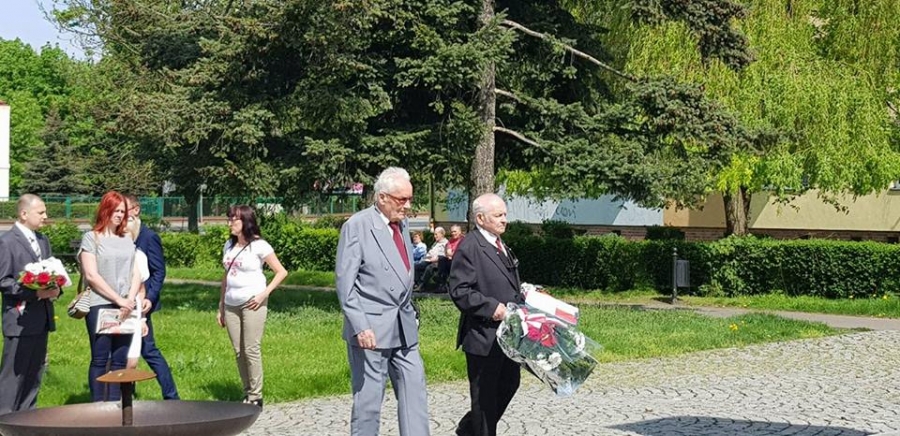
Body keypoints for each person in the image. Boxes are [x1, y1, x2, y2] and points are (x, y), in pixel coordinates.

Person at [335, 167, 430, 436]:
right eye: (402, 199)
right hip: (371, 329)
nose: (408, 206)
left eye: (410, 199)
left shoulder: (402, 224)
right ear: (382, 197)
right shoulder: (358, 226)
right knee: (369, 401)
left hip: (403, 326)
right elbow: (345, 283)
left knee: (415, 392)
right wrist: (360, 325)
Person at [449, 193, 524, 436]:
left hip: (506, 335)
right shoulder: (470, 246)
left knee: (509, 383)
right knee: (485, 397)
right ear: (480, 218)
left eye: (505, 214)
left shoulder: (499, 243)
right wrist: (491, 308)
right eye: (498, 215)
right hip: (484, 336)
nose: (504, 220)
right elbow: (459, 291)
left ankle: (467, 430)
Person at [217, 205, 287, 408]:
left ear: (246, 221)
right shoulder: (228, 246)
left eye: (234, 220)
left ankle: (256, 395)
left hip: (252, 302)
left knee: (251, 348)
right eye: (229, 219)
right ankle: (247, 391)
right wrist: (221, 305)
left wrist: (263, 294)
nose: (230, 223)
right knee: (239, 351)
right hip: (231, 303)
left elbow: (281, 272)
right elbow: (226, 276)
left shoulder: (259, 246)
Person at [80, 191, 143, 402]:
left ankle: (117, 403)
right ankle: (98, 405)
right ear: (105, 210)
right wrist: (118, 299)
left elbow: (136, 272)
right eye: (116, 211)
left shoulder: (127, 238)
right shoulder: (92, 238)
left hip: (126, 305)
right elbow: (91, 275)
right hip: (101, 304)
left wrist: (129, 300)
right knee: (100, 358)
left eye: (123, 212)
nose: (119, 215)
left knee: (119, 359)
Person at [0, 194, 61, 414]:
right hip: (20, 320)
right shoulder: (7, 242)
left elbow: (52, 271)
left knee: (35, 371)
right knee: (14, 374)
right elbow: (4, 281)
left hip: (41, 317)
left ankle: (27, 416)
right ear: (24, 214)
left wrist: (56, 288)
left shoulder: (43, 240)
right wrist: (34, 293)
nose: (45, 216)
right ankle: (5, 418)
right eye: (41, 212)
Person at [124, 195, 179, 399]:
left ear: (136, 210)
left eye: (125, 209)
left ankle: (171, 396)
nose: (121, 213)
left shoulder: (148, 237)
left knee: (148, 349)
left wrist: (150, 297)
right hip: (123, 303)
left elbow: (158, 271)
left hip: (142, 303)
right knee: (124, 351)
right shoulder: (119, 235)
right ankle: (126, 394)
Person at [414, 227, 447, 291]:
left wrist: (436, 258)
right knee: (416, 267)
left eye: (436, 234)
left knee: (429, 268)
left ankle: (422, 285)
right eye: (434, 234)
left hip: (438, 262)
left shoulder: (446, 243)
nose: (435, 236)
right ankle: (418, 284)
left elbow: (445, 255)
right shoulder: (436, 243)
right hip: (428, 260)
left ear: (442, 234)